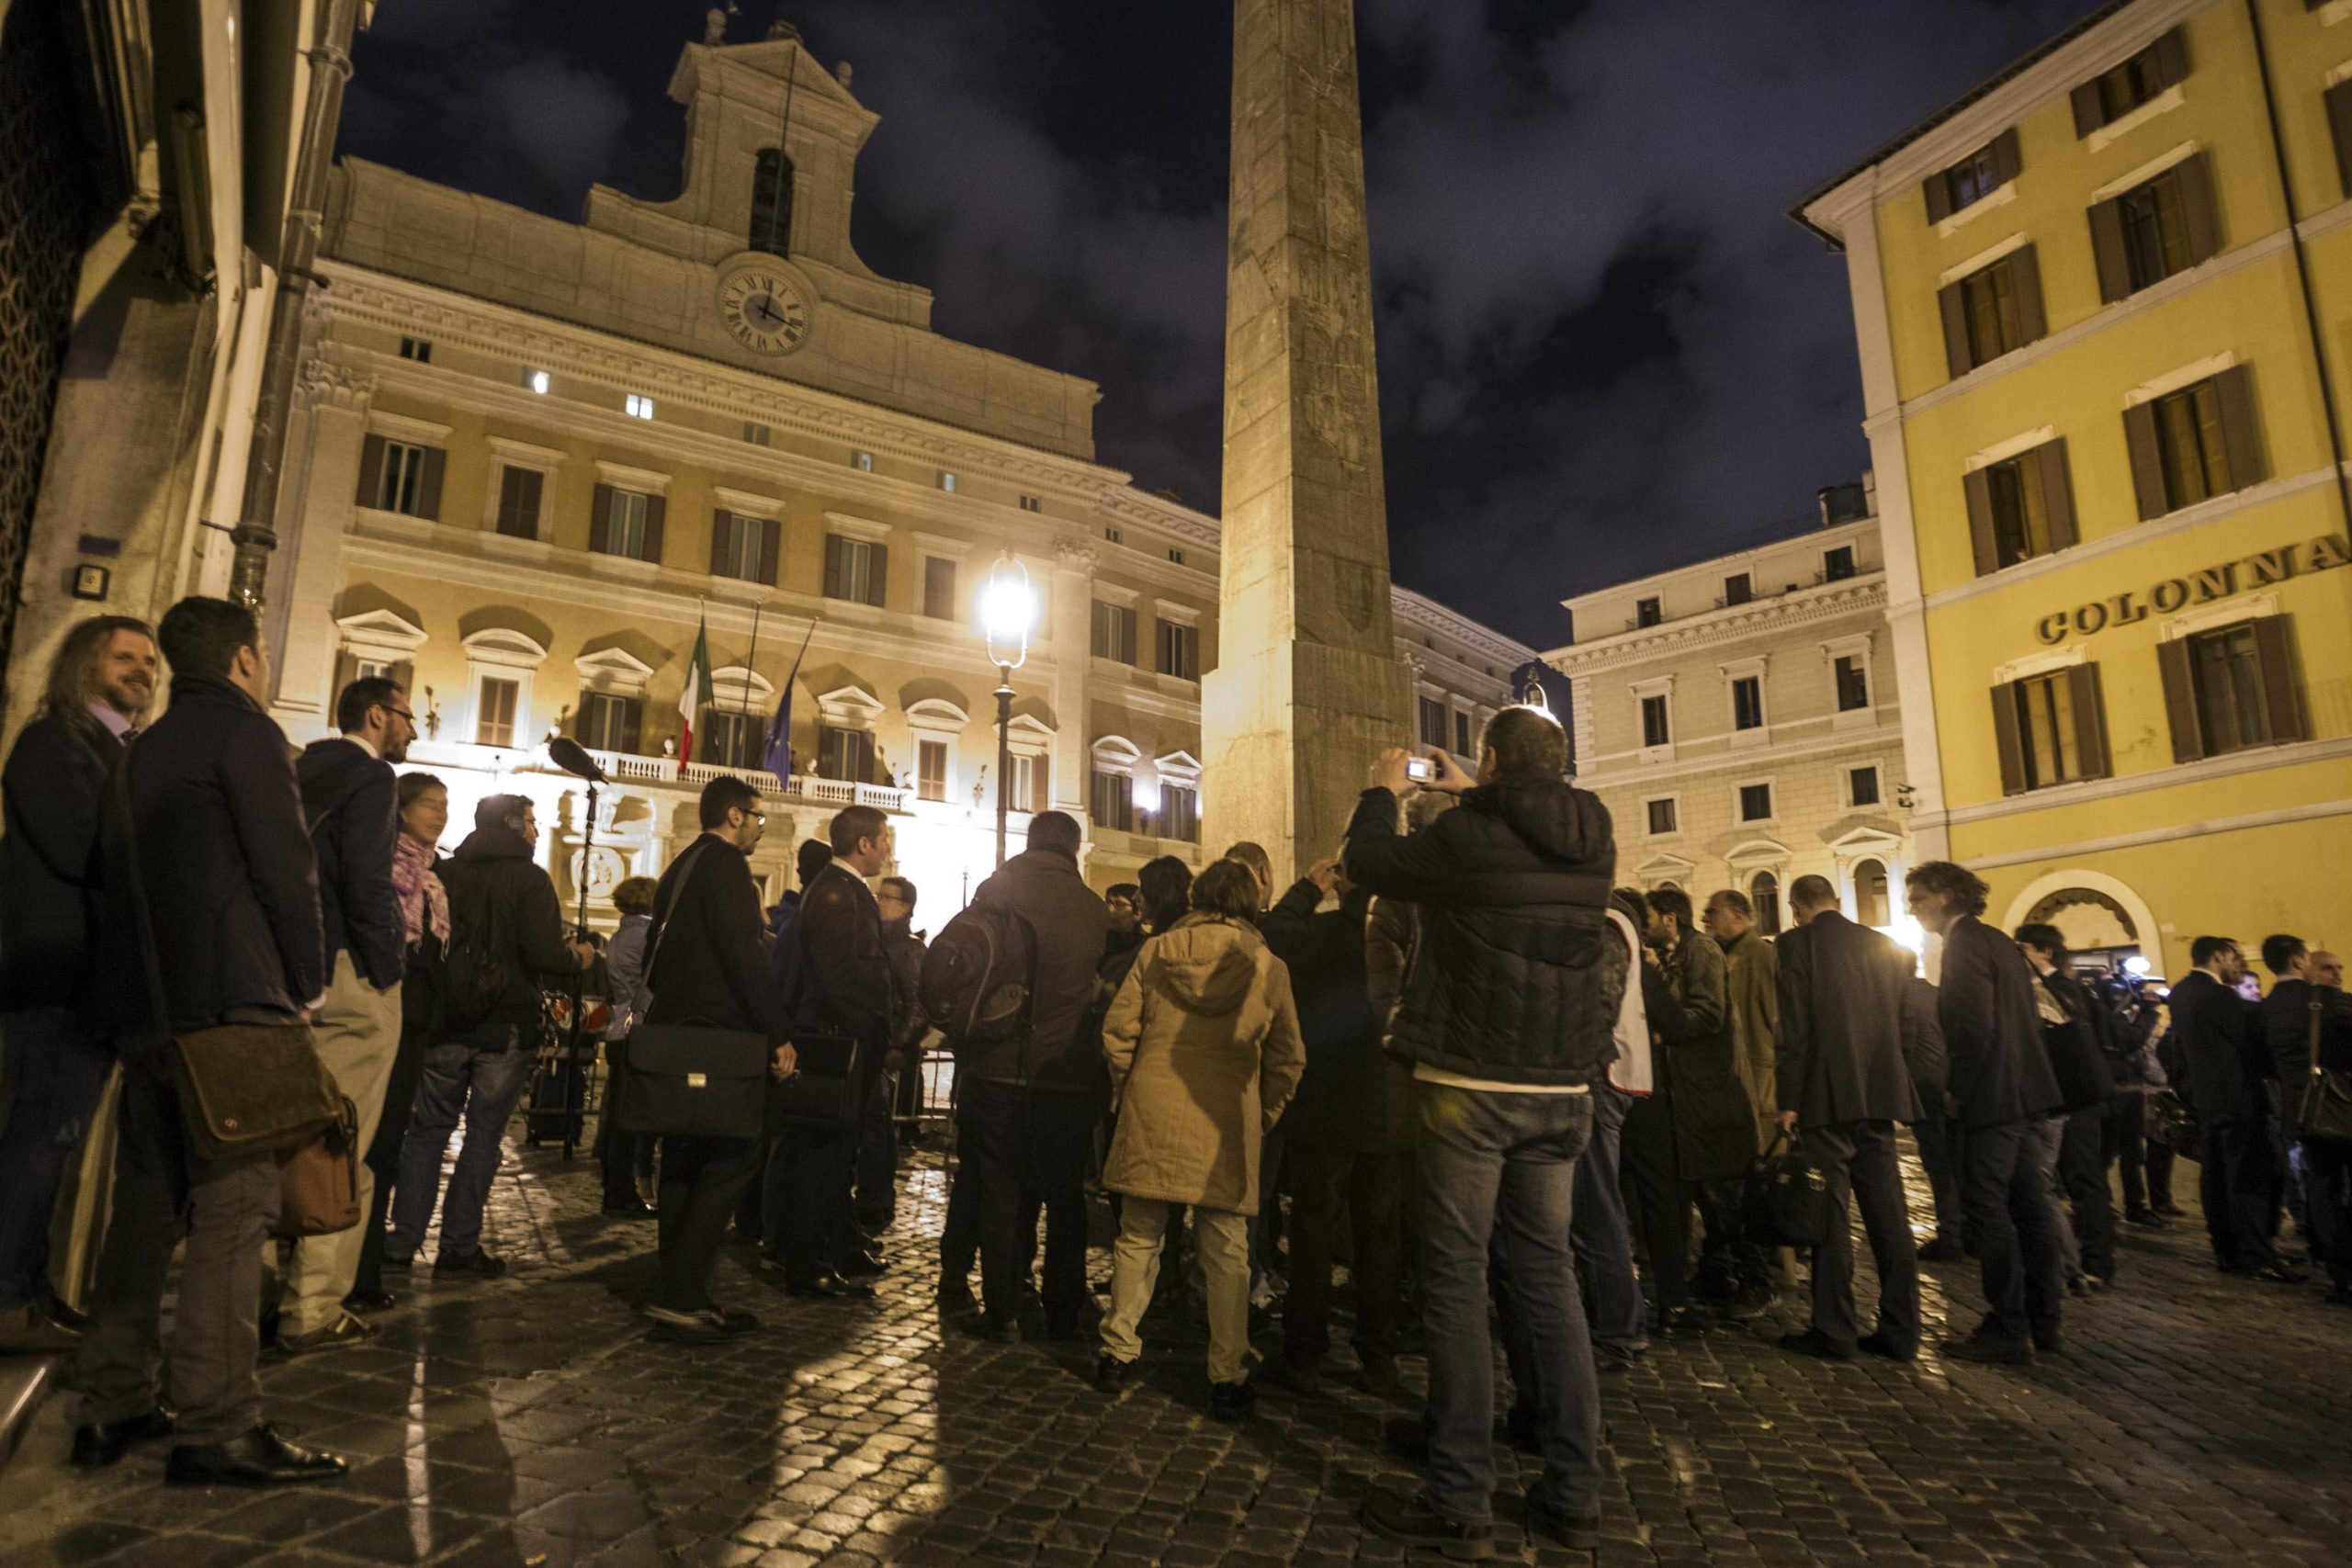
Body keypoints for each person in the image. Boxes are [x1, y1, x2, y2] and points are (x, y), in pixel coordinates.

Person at [73, 596, 344, 1484]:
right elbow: (285, 867)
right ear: (241, 660)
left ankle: (111, 1403)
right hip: (232, 1010)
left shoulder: (136, 752)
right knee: (235, 1215)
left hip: (148, 1013)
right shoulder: (248, 736)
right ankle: (218, 1423)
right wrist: (307, 978)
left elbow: (107, 885)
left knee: (144, 1212)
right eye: (261, 655)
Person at [1347, 707, 1623, 1558]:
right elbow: (1528, 827)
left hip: (1471, 1077)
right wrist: (1485, 792)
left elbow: (1367, 864)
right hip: (1563, 1085)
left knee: (1458, 1280)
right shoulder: (1596, 831)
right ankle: (1574, 1490)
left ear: (1492, 759)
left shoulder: (1465, 837)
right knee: (1548, 1276)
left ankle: (1459, 1489)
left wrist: (1381, 791)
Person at [1095, 860, 1304, 1415]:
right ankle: (1227, 1374)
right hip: (1224, 1120)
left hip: (1153, 1107)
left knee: (1139, 1237)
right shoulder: (1267, 966)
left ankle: (1117, 1351)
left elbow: (1118, 1032)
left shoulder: (1156, 952)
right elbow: (1288, 1057)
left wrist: (1128, 1086)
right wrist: (1261, 1115)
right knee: (1228, 1251)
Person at [0, 615, 154, 1355]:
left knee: (55, 1141)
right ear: (83, 664)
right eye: (125, 657)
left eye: (150, 661)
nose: (143, 669)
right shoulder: (52, 742)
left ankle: (29, 1291)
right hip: (56, 971)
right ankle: (5, 1298)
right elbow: (76, 844)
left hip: (93, 981)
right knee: (40, 1137)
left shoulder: (119, 751)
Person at [387, 795, 590, 1280]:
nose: (537, 832)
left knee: (426, 1134)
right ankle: (458, 1247)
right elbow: (543, 952)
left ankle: (401, 1242)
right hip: (505, 1026)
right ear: (514, 824)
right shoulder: (530, 878)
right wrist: (579, 958)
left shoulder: (448, 872)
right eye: (533, 821)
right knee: (483, 1138)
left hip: (446, 1022)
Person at [270, 678, 413, 1354]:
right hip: (352, 972)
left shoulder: (299, 766)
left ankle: (270, 1286)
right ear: (378, 715)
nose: (412, 730)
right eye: (408, 716)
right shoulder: (373, 776)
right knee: (343, 1141)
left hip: (293, 970)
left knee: (284, 1134)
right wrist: (389, 965)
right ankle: (312, 1305)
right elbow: (367, 879)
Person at [643, 776, 792, 1343]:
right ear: (733, 815)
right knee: (735, 1154)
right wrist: (776, 1031)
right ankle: (683, 1293)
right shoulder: (728, 866)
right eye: (757, 816)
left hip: (676, 1032)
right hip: (721, 1037)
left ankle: (674, 1287)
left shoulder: (681, 866)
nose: (760, 826)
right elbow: (742, 953)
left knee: (682, 1156)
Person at [956, 810, 1113, 1340]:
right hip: (1065, 1077)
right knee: (1066, 1196)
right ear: (1073, 848)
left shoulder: (994, 892)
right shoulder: (1095, 911)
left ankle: (1002, 1309)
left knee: (999, 1191)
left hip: (996, 1069)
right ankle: (1064, 1310)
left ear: (1030, 841)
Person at [1905, 861, 2064, 1364]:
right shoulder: (1997, 940)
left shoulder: (1966, 943)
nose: (1912, 908)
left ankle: (2007, 1326)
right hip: (2021, 1093)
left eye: (1918, 898)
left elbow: (1973, 1027)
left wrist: (1957, 1089)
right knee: (2031, 1207)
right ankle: (2045, 1321)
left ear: (1948, 895)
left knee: (1988, 1210)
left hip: (1991, 1098)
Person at [1262, 855, 1401, 1395]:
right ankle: (1379, 1355)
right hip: (1388, 1103)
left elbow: (1270, 934)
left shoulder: (1318, 933)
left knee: (1312, 1232)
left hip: (1324, 1103)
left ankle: (1303, 1352)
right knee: (1379, 1237)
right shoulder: (1401, 938)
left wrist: (1305, 887)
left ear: (1340, 885)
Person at [1771, 874, 1922, 1360]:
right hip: (1879, 1091)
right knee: (1890, 1217)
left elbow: (1794, 1026)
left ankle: (1834, 1329)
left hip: (1825, 1094)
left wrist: (1789, 1098)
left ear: (1796, 908)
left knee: (1830, 1219)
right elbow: (1902, 1018)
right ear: (1836, 901)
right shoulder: (1884, 944)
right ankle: (1902, 1331)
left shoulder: (1796, 944)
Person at [774, 806, 894, 1298]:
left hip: (842, 1037)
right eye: (884, 837)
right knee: (821, 1159)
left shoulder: (845, 890)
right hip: (836, 1042)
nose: (889, 846)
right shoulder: (835, 894)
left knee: (834, 1157)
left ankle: (830, 1249)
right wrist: (868, 1030)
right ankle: (806, 1264)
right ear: (863, 844)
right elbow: (838, 976)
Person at [346, 773, 450, 1314]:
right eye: (430, 805)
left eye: (445, 806)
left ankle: (362, 1273)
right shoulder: (390, 867)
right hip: (382, 1010)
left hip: (415, 1024)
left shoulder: (433, 876)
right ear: (401, 810)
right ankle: (347, 1273)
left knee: (388, 1148)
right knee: (368, 1144)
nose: (440, 814)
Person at [1645, 886, 1767, 1320]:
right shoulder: (1677, 954)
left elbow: (1709, 1013)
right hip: (1690, 1093)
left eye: (1649, 918)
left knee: (1725, 1196)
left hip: (1712, 1091)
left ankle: (1755, 1282)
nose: (1646, 927)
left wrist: (1665, 1031)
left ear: (1668, 918)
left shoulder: (1701, 953)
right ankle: (1716, 1275)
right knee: (1703, 1189)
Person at [2172, 934, 2301, 1283]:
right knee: (2248, 1178)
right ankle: (2256, 1256)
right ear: (2218, 956)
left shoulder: (2181, 991)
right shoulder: (2218, 996)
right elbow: (2249, 1044)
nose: (2240, 965)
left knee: (2215, 1177)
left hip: (2207, 1100)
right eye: (2236, 957)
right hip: (2239, 1100)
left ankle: (2226, 1250)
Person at [2014, 924, 2120, 1289]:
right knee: (2067, 1179)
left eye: (2022, 948)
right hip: (2069, 1097)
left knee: (2084, 1178)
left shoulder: (2058, 990)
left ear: (2045, 952)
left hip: (2074, 1098)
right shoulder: (2065, 989)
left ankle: (2096, 1263)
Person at [2264, 937, 2352, 1302]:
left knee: (2321, 1188)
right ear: (2305, 969)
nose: (2337, 973)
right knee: (2332, 1191)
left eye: (2339, 968)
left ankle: (2334, 1267)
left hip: (2305, 1113)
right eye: (2327, 968)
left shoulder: (2270, 1008)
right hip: (2341, 1109)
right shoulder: (2335, 1005)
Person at [858, 874, 926, 1233]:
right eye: (878, 894)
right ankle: (873, 1199)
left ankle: (876, 1201)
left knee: (877, 1130)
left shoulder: (908, 948)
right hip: (873, 1045)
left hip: (888, 1049)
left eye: (886, 897)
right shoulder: (874, 939)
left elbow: (918, 1002)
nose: (878, 901)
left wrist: (899, 1044)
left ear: (905, 908)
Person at [596, 875, 659, 1216]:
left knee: (616, 1117)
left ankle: (613, 1188)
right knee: (632, 1119)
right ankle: (621, 1192)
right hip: (640, 1030)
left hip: (617, 1028)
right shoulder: (647, 936)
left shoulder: (619, 936)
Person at [1903, 974, 1966, 1260]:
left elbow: (1903, 1048)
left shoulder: (1900, 997)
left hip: (1926, 1092)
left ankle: (1951, 1235)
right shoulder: (1937, 992)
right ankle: (1963, 1230)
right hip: (1951, 1086)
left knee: (1939, 1166)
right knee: (1955, 1162)